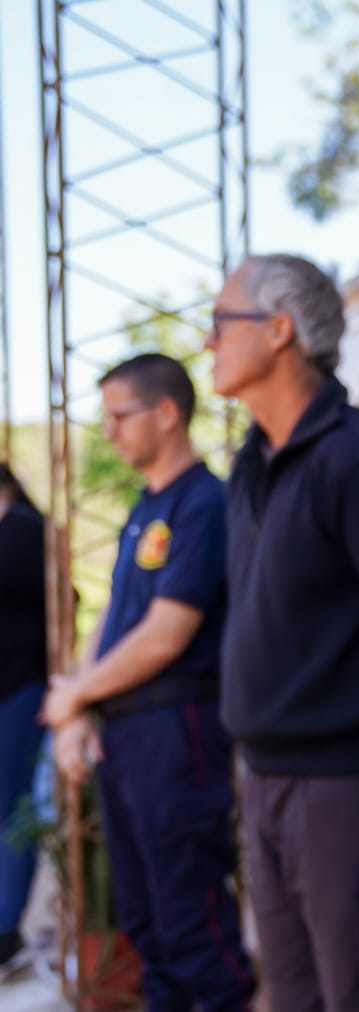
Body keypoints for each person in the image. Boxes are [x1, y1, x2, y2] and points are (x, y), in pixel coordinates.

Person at [207, 254, 359, 1011]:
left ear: (278, 331)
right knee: (295, 999)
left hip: (351, 792)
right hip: (266, 780)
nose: (208, 342)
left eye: (219, 322)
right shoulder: (250, 464)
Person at [38, 354, 254, 1009]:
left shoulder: (202, 502)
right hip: (130, 734)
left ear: (166, 413)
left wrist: (75, 694)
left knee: (192, 922)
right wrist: (78, 706)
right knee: (147, 926)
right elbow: (112, 619)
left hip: (178, 727)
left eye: (118, 415)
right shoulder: (147, 505)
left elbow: (166, 634)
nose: (109, 431)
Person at [0, 462, 46, 974]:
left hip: (17, 689)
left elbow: (62, 602)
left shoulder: (25, 533)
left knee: (12, 811)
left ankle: (6, 927)